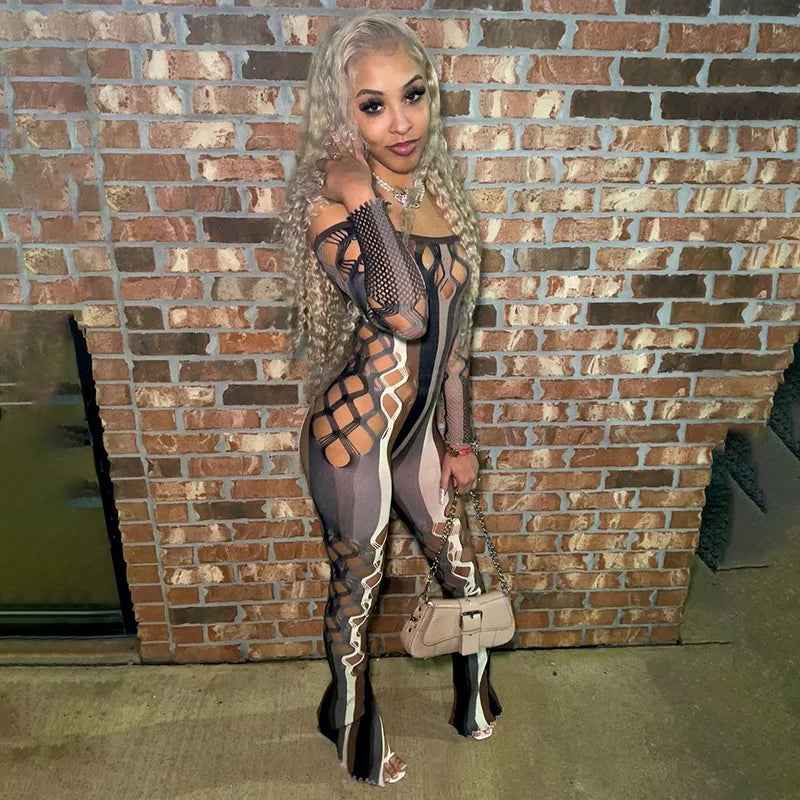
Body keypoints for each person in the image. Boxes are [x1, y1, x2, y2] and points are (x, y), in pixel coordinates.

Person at [281, 13, 503, 787]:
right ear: (342, 115)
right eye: (373, 106)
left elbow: (451, 348)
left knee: (462, 573)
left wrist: (459, 442)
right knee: (359, 587)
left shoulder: (440, 195)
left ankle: (475, 696)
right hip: (354, 435)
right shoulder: (331, 204)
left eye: (413, 95)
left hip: (415, 440)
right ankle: (348, 723)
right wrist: (359, 195)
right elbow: (404, 312)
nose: (401, 122)